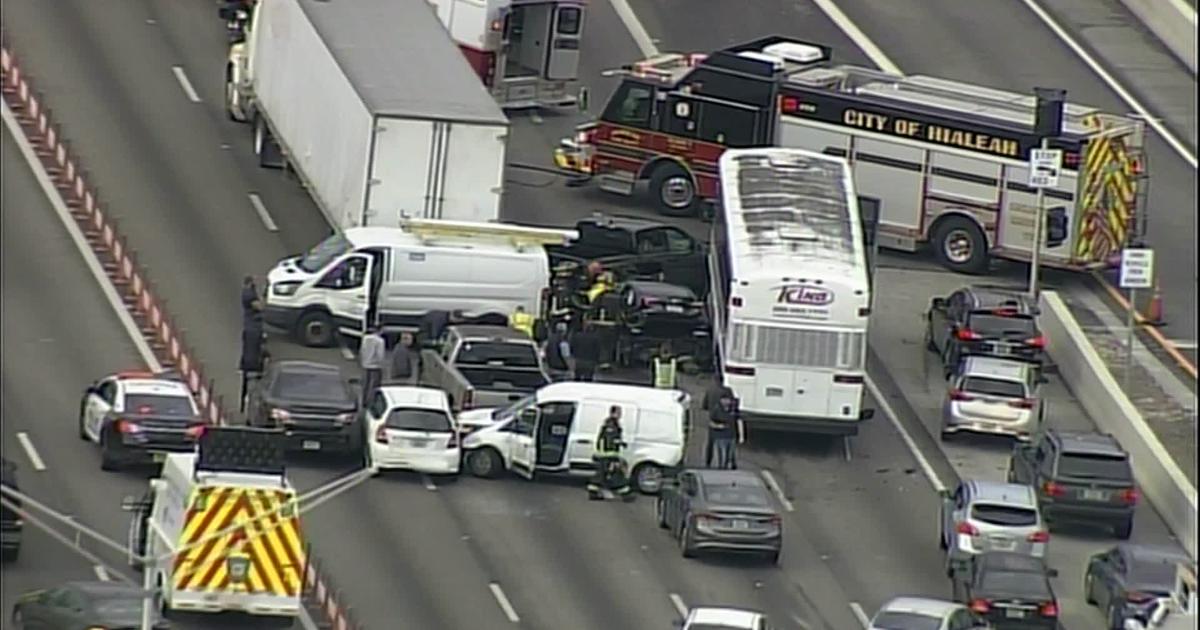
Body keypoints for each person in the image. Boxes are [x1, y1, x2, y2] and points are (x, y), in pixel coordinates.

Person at [587, 406, 634, 501]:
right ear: (613, 413)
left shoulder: (611, 423)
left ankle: (593, 492)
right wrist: (619, 443)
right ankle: (626, 494)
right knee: (616, 474)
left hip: (606, 455)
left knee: (602, 474)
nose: (620, 415)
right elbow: (610, 440)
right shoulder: (611, 424)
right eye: (619, 412)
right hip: (607, 455)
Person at [704, 380, 745, 469]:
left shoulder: (710, 390)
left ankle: (709, 462)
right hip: (722, 435)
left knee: (715, 447)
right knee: (725, 452)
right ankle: (726, 465)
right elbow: (738, 421)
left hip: (726, 435)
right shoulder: (728, 393)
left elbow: (705, 406)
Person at [239, 309, 269, 414]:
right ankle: (253, 409)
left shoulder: (247, 331)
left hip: (245, 362)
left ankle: (242, 405)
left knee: (244, 386)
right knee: (257, 387)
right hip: (257, 364)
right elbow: (262, 348)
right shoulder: (260, 333)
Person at [359, 327, 387, 405]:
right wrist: (382, 364)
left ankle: (363, 400)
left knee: (365, 384)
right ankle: (371, 401)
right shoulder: (380, 341)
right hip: (375, 366)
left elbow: (362, 350)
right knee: (374, 385)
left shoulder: (365, 338)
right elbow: (380, 355)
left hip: (365, 364)